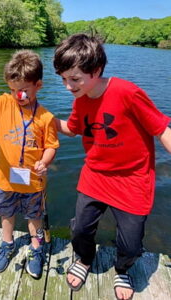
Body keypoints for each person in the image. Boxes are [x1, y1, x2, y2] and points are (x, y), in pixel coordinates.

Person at [53, 33, 171, 300]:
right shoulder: (80, 99)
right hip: (95, 175)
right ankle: (84, 260)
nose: (68, 86)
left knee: (130, 243)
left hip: (133, 179)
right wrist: (40, 118)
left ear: (96, 70)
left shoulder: (128, 93)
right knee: (81, 229)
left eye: (74, 79)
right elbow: (72, 129)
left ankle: (122, 269)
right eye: (63, 79)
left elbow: (161, 128)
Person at [0, 50, 59, 279]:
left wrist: (45, 162)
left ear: (39, 85)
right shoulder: (4, 103)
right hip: (6, 179)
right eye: (13, 89)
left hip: (34, 182)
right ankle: (7, 243)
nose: (17, 95)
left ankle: (36, 249)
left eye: (23, 90)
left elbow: (52, 146)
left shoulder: (45, 117)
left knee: (34, 217)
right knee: (6, 214)